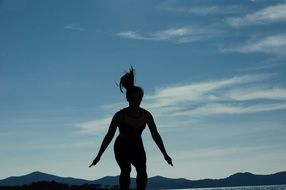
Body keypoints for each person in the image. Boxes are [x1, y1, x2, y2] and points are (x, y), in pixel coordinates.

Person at [89, 67, 173, 190]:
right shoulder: (120, 115)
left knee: (142, 172)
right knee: (126, 170)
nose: (135, 101)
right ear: (127, 98)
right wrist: (99, 156)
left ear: (141, 98)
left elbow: (155, 135)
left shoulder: (146, 115)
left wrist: (165, 154)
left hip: (137, 146)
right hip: (121, 147)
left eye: (137, 98)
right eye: (132, 98)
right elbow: (109, 136)